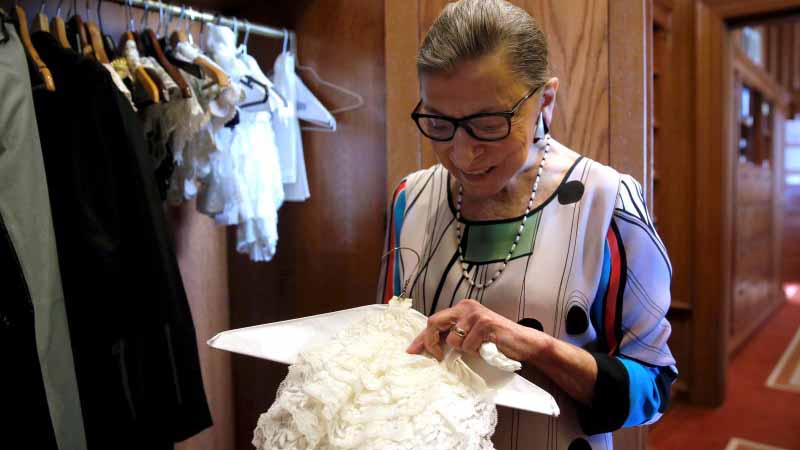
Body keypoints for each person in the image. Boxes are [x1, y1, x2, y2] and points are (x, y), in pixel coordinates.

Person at [378, 1, 678, 449]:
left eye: (488, 124)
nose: (461, 154)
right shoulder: (411, 199)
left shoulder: (605, 202)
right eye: (439, 123)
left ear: (545, 101)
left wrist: (531, 345)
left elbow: (651, 391)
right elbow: (388, 338)